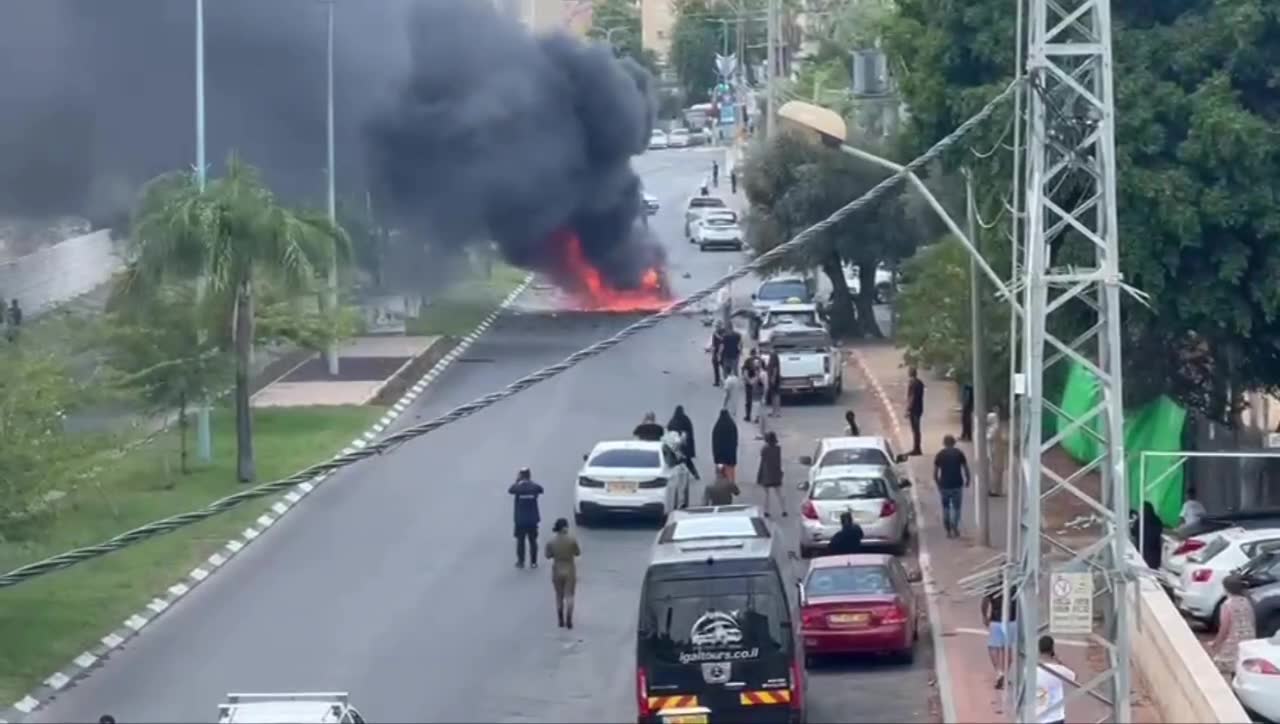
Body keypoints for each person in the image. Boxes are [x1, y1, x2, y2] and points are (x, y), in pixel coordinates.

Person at [1209, 574, 1257, 677]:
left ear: (1226, 589)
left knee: (1220, 664)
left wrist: (1217, 642)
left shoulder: (1227, 604)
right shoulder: (1247, 601)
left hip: (1235, 641)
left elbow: (1224, 628)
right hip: (1249, 639)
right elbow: (1252, 621)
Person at [544, 518, 581, 629]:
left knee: (559, 596)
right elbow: (577, 553)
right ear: (565, 527)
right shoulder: (572, 540)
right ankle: (569, 618)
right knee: (569, 595)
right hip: (569, 569)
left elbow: (547, 555)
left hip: (557, 569)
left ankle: (560, 619)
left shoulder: (551, 542)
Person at [981, 584, 1018, 690]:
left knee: (993, 647)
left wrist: (984, 615)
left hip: (996, 620)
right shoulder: (1015, 586)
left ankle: (999, 672)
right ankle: (1004, 673)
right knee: (1007, 648)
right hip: (1011, 621)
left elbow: (985, 602)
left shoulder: (992, 586)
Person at [934, 434, 970, 538]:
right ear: (954, 442)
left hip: (944, 485)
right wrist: (968, 479)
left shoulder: (940, 455)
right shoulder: (959, 453)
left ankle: (948, 530)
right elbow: (965, 468)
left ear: (944, 443)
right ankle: (955, 525)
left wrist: (938, 484)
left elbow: (935, 473)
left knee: (945, 508)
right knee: (957, 508)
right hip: (957, 484)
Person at [1035, 635, 1076, 724]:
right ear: (1052, 649)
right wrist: (1060, 662)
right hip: (1056, 717)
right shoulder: (1059, 670)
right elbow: (1073, 677)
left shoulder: (1030, 670)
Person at [508, 467, 544, 569]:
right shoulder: (534, 487)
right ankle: (533, 562)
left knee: (520, 541)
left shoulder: (518, 487)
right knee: (533, 541)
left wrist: (517, 481)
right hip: (532, 520)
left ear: (521, 475)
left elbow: (510, 489)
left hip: (520, 520)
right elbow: (541, 490)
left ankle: (521, 561)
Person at [667, 405, 700, 480]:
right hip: (685, 445)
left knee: (675, 462)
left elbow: (669, 432)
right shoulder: (686, 419)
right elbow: (690, 432)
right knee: (688, 462)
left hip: (675, 445)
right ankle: (695, 475)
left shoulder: (672, 420)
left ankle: (674, 477)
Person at [757, 430, 785, 517]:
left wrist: (759, 476)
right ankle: (784, 510)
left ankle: (766, 511)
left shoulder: (764, 449)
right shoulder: (778, 449)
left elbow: (762, 460)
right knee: (779, 493)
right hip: (776, 473)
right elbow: (779, 462)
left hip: (767, 474)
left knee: (766, 494)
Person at [1130, 502, 1164, 570]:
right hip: (1155, 554)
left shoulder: (1139, 521)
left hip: (1143, 553)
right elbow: (1160, 530)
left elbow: (1133, 533)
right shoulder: (1157, 520)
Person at [712, 408, 740, 483]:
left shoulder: (717, 427)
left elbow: (714, 442)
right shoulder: (732, 425)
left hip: (720, 456)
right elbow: (735, 440)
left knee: (720, 471)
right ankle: (731, 485)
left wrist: (715, 455)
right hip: (730, 456)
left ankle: (719, 484)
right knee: (730, 471)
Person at [906, 367, 925, 455]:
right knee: (917, 430)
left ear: (910, 373)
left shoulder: (912, 383)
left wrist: (908, 409)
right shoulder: (920, 382)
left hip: (914, 409)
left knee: (915, 430)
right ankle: (917, 448)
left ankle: (916, 449)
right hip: (919, 407)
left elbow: (912, 397)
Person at [742, 349, 763, 423]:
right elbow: (762, 372)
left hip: (749, 383)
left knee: (748, 401)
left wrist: (750, 381)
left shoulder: (747, 361)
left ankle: (748, 416)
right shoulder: (761, 361)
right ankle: (757, 417)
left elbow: (745, 373)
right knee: (757, 401)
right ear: (756, 353)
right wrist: (757, 380)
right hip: (758, 383)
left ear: (750, 354)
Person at [765, 349, 782, 417]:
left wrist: (773, 378)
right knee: (775, 395)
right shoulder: (774, 356)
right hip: (775, 377)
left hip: (774, 378)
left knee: (774, 395)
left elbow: (775, 368)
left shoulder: (773, 356)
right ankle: (776, 412)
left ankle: (775, 412)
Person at [709, 322, 726, 386]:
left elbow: (722, 341)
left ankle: (719, 381)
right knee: (717, 367)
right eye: (716, 326)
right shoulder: (715, 333)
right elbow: (713, 344)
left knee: (722, 367)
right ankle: (717, 381)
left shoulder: (722, 333)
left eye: (717, 326)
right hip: (718, 352)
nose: (716, 327)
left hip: (721, 353)